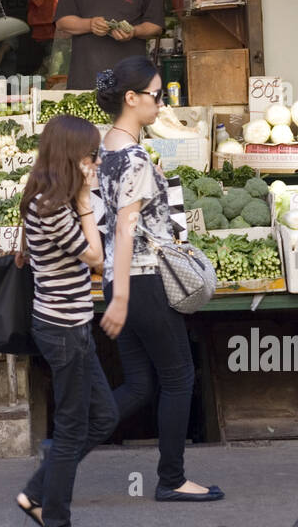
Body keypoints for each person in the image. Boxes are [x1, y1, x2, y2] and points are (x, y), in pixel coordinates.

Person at [96, 59, 224, 502]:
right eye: (156, 95)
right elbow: (128, 226)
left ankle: (62, 450)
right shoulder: (132, 158)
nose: (161, 103)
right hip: (143, 280)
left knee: (139, 384)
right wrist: (125, 297)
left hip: (119, 278)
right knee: (178, 377)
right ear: (131, 99)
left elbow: (104, 221)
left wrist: (115, 290)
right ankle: (172, 479)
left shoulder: (107, 148)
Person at [16, 115, 119, 527]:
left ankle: (38, 492)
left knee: (104, 414)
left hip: (68, 324)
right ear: (73, 158)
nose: (95, 163)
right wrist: (84, 201)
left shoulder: (39, 195)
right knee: (73, 428)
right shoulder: (55, 207)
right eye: (91, 155)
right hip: (64, 328)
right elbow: (95, 257)